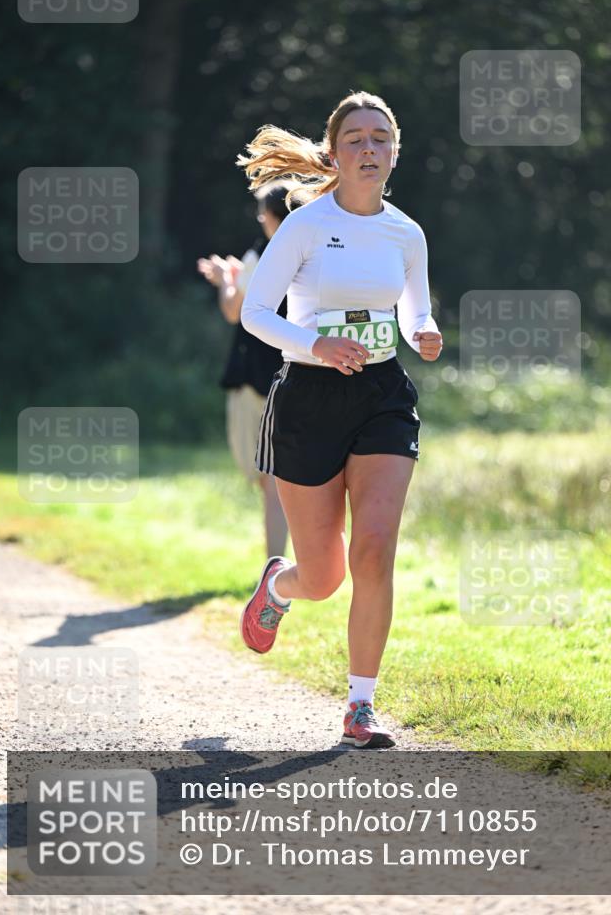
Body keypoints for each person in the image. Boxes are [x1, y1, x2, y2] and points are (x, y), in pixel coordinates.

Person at [236, 91, 443, 749]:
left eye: (379, 138)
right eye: (354, 138)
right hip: (308, 397)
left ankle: (359, 707)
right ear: (333, 152)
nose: (367, 149)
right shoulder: (303, 226)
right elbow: (255, 313)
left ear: (394, 152)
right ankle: (279, 585)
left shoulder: (405, 232)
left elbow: (414, 311)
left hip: (381, 395)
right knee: (322, 577)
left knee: (374, 550)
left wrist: (425, 330)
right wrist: (315, 344)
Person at [197, 184, 297, 559]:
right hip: (293, 376)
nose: (260, 220)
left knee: (270, 479)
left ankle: (275, 567)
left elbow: (231, 310)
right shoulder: (309, 252)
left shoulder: (264, 253)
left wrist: (226, 280)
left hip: (258, 380)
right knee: (277, 480)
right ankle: (285, 564)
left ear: (274, 216)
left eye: (263, 213)